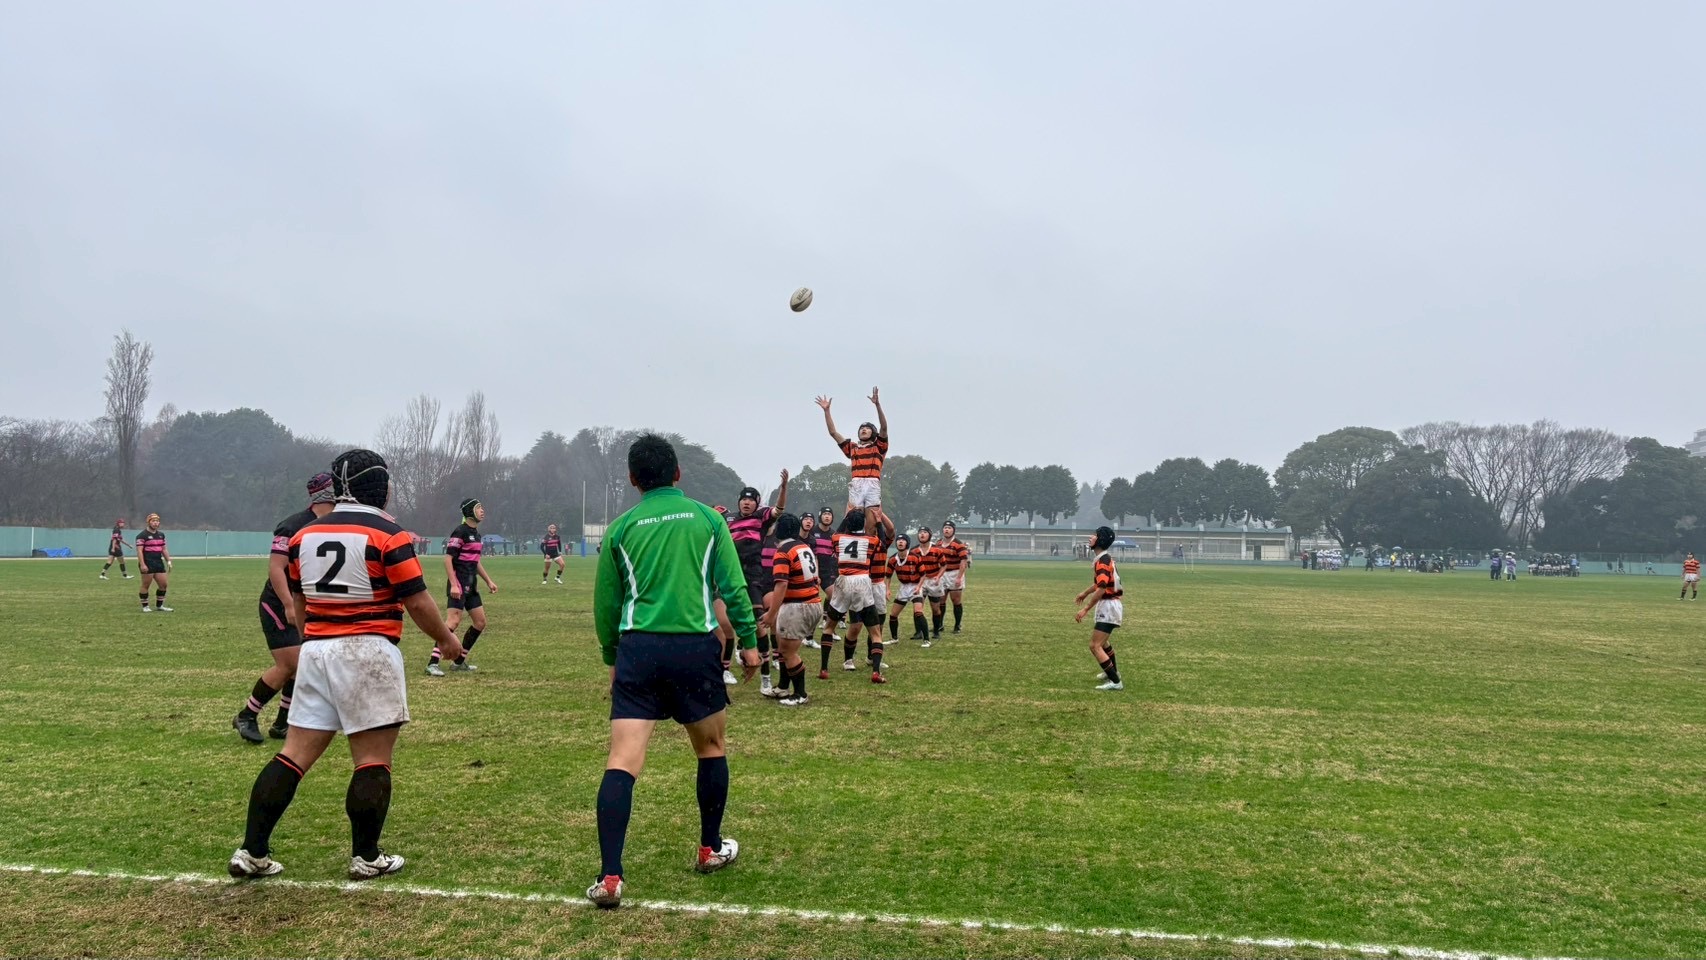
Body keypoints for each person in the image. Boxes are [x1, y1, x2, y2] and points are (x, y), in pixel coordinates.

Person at [228, 449, 465, 882]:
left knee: (293, 755)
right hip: (368, 651)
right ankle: (366, 856)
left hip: (317, 650)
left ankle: (252, 851)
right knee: (372, 759)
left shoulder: (305, 535)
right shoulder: (388, 533)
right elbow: (416, 600)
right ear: (381, 487)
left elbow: (299, 600)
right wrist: (446, 639)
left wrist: (315, 638)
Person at [588, 434, 758, 908]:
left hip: (638, 649)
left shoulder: (621, 528)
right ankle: (709, 848)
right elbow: (733, 586)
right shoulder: (708, 519)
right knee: (711, 748)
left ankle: (610, 877)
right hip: (695, 649)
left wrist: (611, 657)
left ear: (632, 479)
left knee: (622, 759)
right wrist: (748, 642)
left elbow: (607, 604)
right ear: (678, 473)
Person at [234, 472, 337, 744]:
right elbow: (276, 568)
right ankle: (246, 715)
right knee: (291, 663)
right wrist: (289, 604)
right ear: (327, 492)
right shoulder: (293, 525)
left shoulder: (335, 524)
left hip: (308, 603)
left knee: (303, 664)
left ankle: (282, 723)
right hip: (279, 603)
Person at [722, 471, 789, 694]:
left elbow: (778, 510)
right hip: (730, 576)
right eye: (743, 499)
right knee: (724, 625)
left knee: (760, 627)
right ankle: (726, 665)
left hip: (752, 577)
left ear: (757, 503)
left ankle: (766, 678)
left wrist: (783, 488)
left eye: (751, 500)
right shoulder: (728, 519)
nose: (746, 502)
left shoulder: (761, 517)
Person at [428, 499, 498, 676]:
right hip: (458, 583)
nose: (482, 511)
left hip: (471, 584)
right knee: (453, 621)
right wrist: (453, 584)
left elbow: (475, 562)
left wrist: (488, 581)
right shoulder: (460, 532)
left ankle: (459, 662)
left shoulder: (477, 534)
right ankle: (432, 663)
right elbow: (448, 559)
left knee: (480, 622)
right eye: (478, 508)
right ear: (469, 511)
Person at [761, 512, 821, 706]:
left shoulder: (783, 551)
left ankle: (800, 694)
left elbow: (781, 584)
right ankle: (782, 687)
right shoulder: (803, 546)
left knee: (788, 652)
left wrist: (771, 613)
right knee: (782, 647)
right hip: (813, 603)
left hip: (797, 606)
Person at [824, 509, 888, 683]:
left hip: (843, 581)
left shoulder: (838, 539)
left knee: (829, 627)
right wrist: (879, 522)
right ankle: (875, 672)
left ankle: (824, 669)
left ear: (847, 522)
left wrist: (846, 516)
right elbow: (883, 543)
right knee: (875, 632)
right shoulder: (870, 540)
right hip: (862, 583)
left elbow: (835, 533)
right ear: (863, 524)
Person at [815, 387, 890, 528]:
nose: (863, 429)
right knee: (853, 520)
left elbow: (884, 427)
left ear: (873, 433)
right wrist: (827, 411)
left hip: (872, 483)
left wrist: (877, 405)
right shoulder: (852, 447)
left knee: (871, 524)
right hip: (857, 483)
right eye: (861, 428)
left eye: (867, 428)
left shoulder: (879, 447)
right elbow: (833, 433)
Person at [1074, 526, 1124, 692]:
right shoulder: (1104, 559)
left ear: (1100, 540)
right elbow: (1100, 584)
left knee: (1095, 645)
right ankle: (1112, 672)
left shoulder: (1102, 561)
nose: (1090, 537)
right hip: (1110, 605)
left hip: (1109, 606)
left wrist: (1086, 609)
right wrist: (1085, 592)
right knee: (1104, 643)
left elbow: (1102, 588)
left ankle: (1115, 681)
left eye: (1094, 535)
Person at [887, 533, 928, 642]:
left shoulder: (915, 557)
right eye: (898, 540)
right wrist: (887, 589)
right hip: (904, 588)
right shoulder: (892, 559)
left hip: (915, 586)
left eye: (903, 540)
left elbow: (923, 574)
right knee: (893, 615)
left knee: (918, 612)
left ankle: (927, 640)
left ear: (907, 543)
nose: (900, 542)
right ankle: (894, 639)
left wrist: (919, 587)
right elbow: (888, 576)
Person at [937, 520, 971, 634]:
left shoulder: (958, 544)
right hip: (942, 573)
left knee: (955, 600)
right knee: (941, 599)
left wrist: (959, 577)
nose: (947, 530)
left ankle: (957, 625)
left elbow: (963, 561)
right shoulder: (938, 543)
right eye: (945, 528)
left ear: (953, 530)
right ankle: (939, 625)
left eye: (949, 528)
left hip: (954, 573)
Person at [135, 514, 173, 612]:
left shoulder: (161, 535)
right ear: (148, 522)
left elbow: (163, 549)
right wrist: (142, 564)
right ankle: (145, 606)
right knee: (146, 585)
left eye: (157, 521)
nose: (155, 523)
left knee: (163, 585)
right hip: (147, 562)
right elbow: (139, 551)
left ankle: (160, 606)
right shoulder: (142, 535)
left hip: (158, 562)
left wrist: (168, 561)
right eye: (153, 521)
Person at [914, 527, 945, 645]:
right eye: (920, 533)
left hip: (933, 581)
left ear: (929, 535)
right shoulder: (914, 551)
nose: (922, 534)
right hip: (920, 581)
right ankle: (918, 632)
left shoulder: (937, 550)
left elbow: (944, 565)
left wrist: (938, 576)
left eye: (925, 532)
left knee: (935, 608)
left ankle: (936, 630)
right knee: (918, 607)